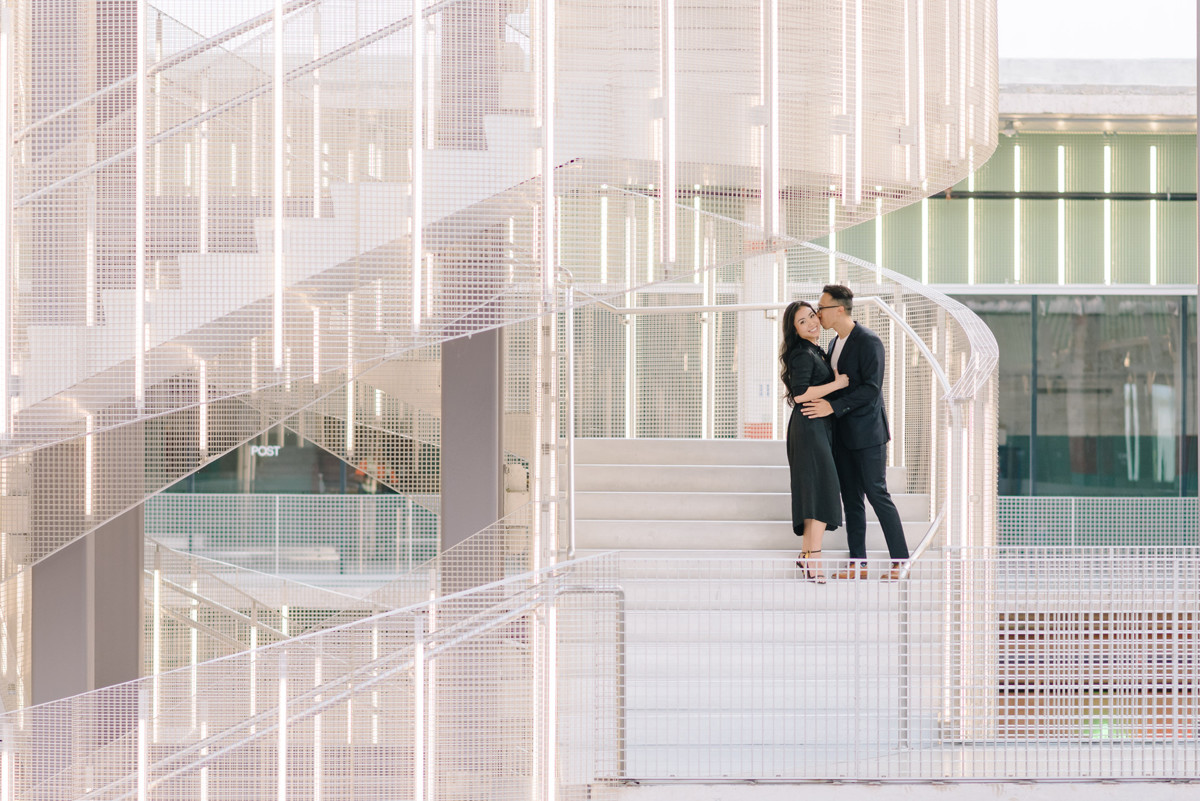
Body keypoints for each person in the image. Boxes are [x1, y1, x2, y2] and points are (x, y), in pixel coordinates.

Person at [802, 284, 909, 581]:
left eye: (821, 308)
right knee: (850, 498)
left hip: (868, 434)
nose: (817, 313)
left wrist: (833, 409)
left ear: (839, 309)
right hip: (841, 435)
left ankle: (901, 562)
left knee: (877, 494)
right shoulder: (835, 343)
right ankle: (857, 564)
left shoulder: (869, 341)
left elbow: (871, 390)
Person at [780, 300, 848, 583]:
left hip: (817, 427)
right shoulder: (801, 354)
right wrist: (837, 384)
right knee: (821, 492)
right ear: (794, 330)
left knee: (814, 493)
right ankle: (814, 560)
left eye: (812, 316)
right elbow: (800, 394)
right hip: (809, 428)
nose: (811, 323)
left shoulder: (815, 351)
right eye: (802, 322)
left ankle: (807, 555)